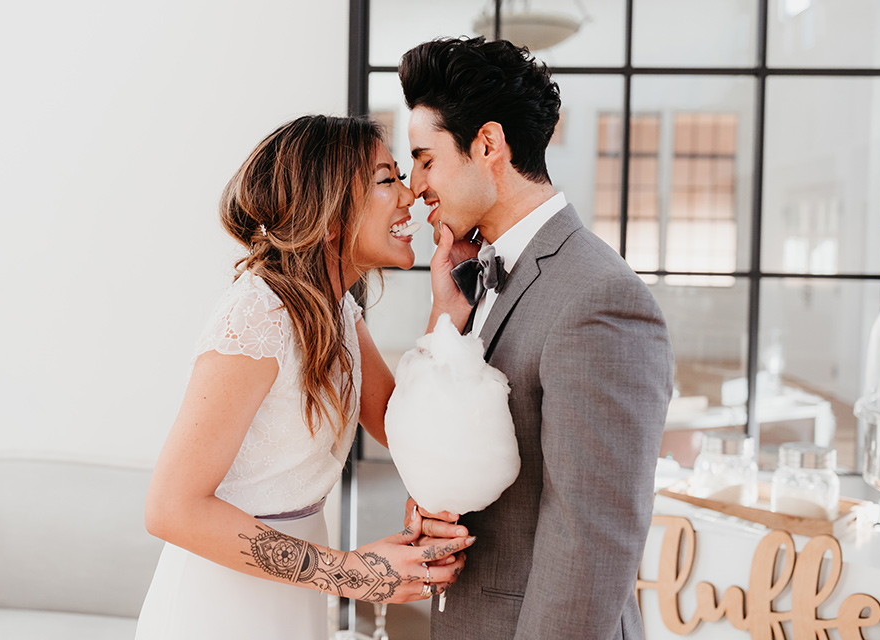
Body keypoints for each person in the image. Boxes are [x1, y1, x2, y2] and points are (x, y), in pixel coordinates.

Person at [135, 115, 474, 640]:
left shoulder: (336, 309)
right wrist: (350, 574)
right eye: (387, 180)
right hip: (218, 608)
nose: (410, 195)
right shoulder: (257, 315)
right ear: (330, 210)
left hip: (293, 603)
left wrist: (445, 310)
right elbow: (171, 509)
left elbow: (398, 425)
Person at [399, 38, 675, 639]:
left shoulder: (600, 297)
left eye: (426, 159)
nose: (417, 186)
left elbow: (591, 539)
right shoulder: (476, 274)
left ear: (488, 145)